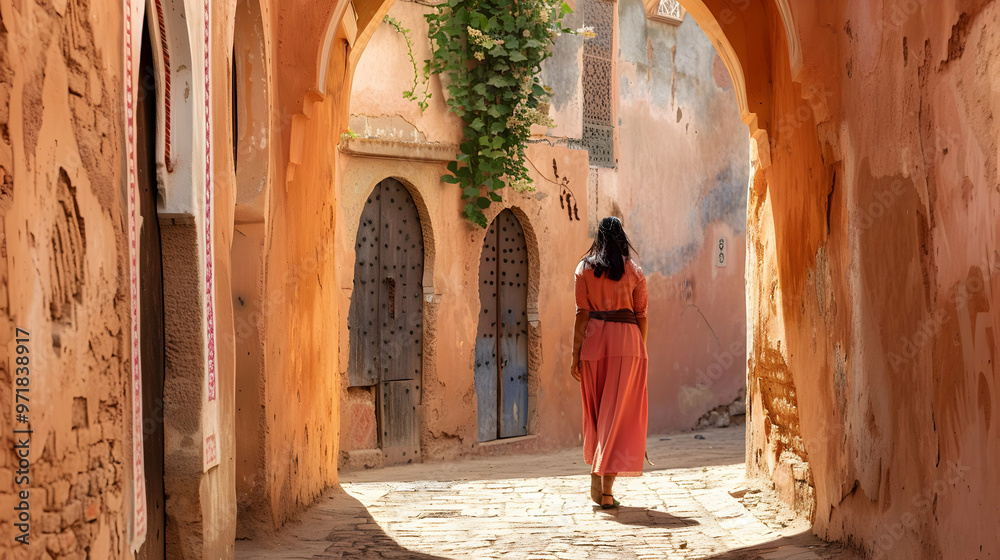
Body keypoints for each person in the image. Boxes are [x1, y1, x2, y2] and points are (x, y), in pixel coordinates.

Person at [571, 216, 649, 509]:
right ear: (622, 239)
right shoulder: (635, 271)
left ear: (598, 239)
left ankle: (596, 468)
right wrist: (640, 350)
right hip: (628, 345)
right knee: (616, 417)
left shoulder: (584, 269)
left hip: (593, 345)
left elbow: (582, 314)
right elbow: (641, 314)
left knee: (596, 414)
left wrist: (574, 355)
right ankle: (605, 489)